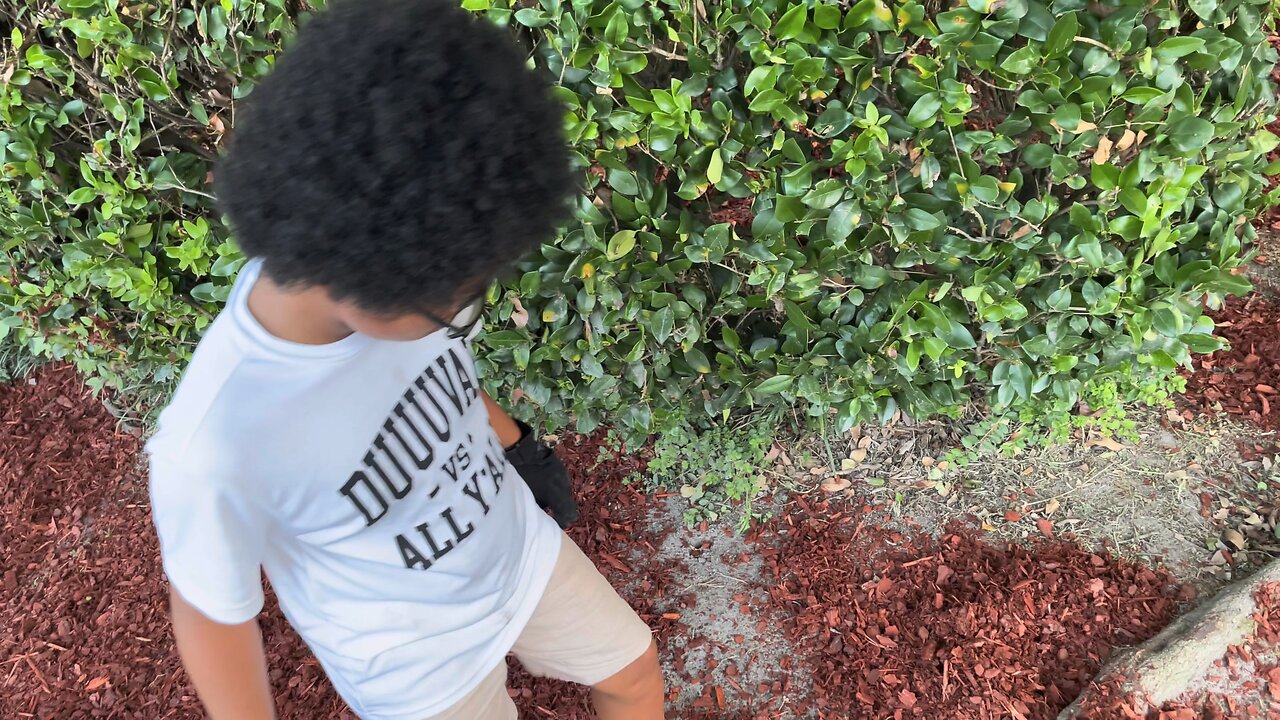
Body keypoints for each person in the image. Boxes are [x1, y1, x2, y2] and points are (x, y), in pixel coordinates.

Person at [144, 1, 665, 718]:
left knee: (632, 672)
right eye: (458, 301)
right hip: (419, 668)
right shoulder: (214, 443)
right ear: (367, 275)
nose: (463, 313)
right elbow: (210, 616)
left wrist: (517, 447)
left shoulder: (403, 270)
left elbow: (437, 380)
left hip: (519, 551)